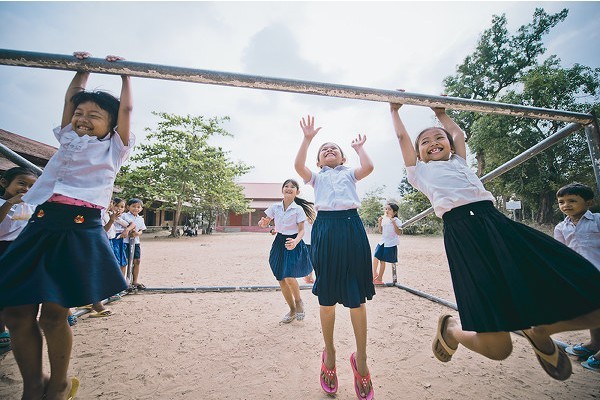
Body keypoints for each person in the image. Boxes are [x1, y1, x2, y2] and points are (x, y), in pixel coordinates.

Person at [389, 102, 600, 381]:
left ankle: (541, 329)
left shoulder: (459, 161)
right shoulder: (419, 173)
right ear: (419, 154)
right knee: (498, 348)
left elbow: (459, 134)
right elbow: (402, 138)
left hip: (497, 224)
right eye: (425, 141)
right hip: (463, 233)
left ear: (450, 146)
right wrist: (394, 109)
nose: (433, 142)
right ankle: (451, 329)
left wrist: (441, 113)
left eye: (439, 137)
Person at [0, 51, 133, 400]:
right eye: (80, 114)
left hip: (79, 227)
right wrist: (83, 69)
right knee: (15, 310)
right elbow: (69, 98)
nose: (83, 119)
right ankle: (33, 383)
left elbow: (127, 111)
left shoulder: (114, 150)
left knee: (54, 314)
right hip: (43, 223)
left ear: (112, 124)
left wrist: (126, 75)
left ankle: (58, 383)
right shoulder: (68, 138)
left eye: (95, 115)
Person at [295, 115, 375, 399]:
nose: (329, 150)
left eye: (334, 148)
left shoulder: (349, 173)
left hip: (352, 228)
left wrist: (359, 148)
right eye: (324, 149)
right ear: (318, 161)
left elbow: (368, 166)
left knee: (356, 298)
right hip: (326, 229)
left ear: (342, 157)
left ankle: (361, 360)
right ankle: (329, 354)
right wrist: (307, 139)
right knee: (326, 297)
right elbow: (297, 167)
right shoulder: (316, 178)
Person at [554, 182, 600, 373]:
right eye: (561, 202)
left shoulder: (597, 220)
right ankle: (594, 344)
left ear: (588, 202)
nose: (566, 205)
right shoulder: (561, 227)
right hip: (581, 278)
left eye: (572, 200)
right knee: (592, 313)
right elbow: (560, 254)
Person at [258, 179, 315, 323]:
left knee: (289, 276)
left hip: (293, 242)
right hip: (279, 243)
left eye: (292, 187)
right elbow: (266, 223)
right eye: (286, 186)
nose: (289, 188)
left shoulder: (298, 209)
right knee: (281, 279)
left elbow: (301, 231)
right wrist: (263, 224)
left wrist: (296, 241)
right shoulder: (275, 207)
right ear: (282, 189)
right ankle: (292, 309)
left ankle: (299, 302)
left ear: (297, 192)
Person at [0, 167, 39, 349]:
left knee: (21, 290)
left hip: (21, 251)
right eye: (22, 183)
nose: (26, 189)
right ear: (4, 183)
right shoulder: (2, 202)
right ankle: (1, 330)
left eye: (32, 186)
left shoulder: (30, 206)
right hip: (2, 249)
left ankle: (23, 326)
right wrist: (9, 203)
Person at [372, 202, 402, 285]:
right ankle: (374, 274)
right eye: (386, 209)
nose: (387, 211)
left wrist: (393, 222)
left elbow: (399, 233)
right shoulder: (384, 219)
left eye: (389, 209)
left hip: (390, 243)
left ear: (395, 212)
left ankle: (379, 279)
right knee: (375, 257)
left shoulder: (397, 220)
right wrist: (379, 222)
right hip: (382, 241)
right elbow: (381, 231)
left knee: (382, 260)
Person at [121, 198, 147, 290]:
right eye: (133, 206)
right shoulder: (124, 216)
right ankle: (123, 282)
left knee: (137, 261)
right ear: (128, 207)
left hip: (136, 242)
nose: (136, 209)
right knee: (125, 262)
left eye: (138, 207)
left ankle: (134, 281)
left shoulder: (140, 219)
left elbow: (141, 231)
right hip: (125, 242)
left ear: (141, 209)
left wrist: (137, 234)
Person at [303, 218, 315, 284]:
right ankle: (307, 276)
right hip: (304, 240)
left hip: (312, 241)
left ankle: (310, 276)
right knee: (305, 259)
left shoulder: (315, 213)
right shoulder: (301, 213)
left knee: (311, 259)